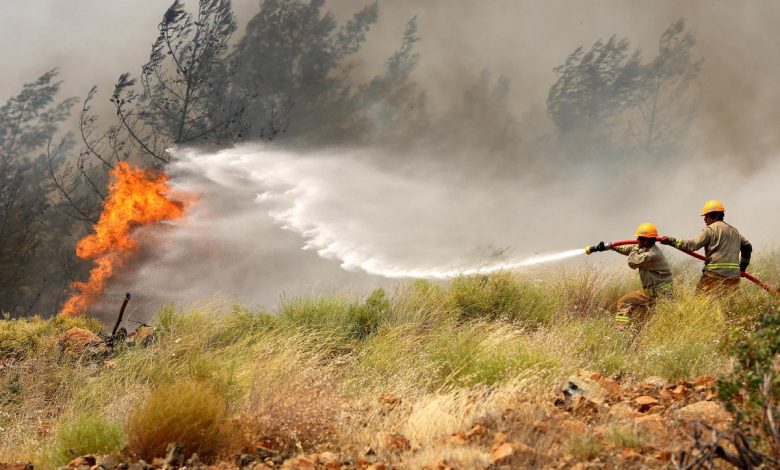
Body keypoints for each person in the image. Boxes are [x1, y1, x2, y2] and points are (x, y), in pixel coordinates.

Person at [587, 222, 673, 330]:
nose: (637, 240)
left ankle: (620, 330)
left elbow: (632, 261)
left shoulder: (651, 254)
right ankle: (635, 332)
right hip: (659, 293)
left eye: (639, 238)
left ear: (646, 240)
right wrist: (611, 247)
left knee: (624, 302)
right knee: (647, 321)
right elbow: (629, 250)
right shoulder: (647, 249)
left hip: (655, 294)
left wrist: (636, 247)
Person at [661, 200, 752, 294]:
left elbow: (692, 246)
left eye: (707, 216)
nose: (704, 219)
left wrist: (671, 241)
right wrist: (742, 268)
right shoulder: (735, 231)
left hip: (714, 276)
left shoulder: (710, 230)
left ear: (715, 215)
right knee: (729, 303)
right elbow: (747, 247)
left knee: (699, 301)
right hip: (733, 278)